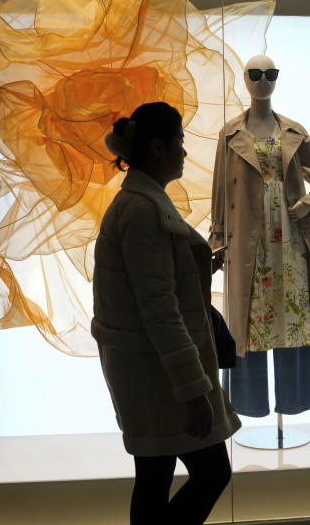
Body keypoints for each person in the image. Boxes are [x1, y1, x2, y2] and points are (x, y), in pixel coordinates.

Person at [92, 101, 240, 524]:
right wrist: (193, 391)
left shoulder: (140, 203)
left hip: (147, 369)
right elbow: (159, 310)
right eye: (179, 141)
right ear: (157, 148)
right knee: (211, 472)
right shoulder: (144, 210)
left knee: (154, 477)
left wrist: (194, 265)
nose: (185, 152)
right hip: (158, 374)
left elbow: (150, 287)